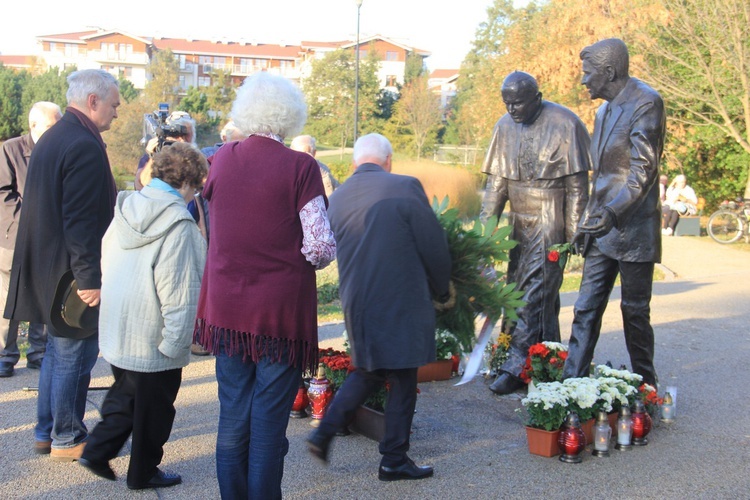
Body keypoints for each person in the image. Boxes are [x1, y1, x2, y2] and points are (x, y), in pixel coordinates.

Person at [192, 72, 336, 499]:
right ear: (290, 115)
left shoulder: (220, 159)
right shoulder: (301, 165)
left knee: (233, 417)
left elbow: (215, 219)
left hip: (226, 312)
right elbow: (321, 246)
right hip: (278, 316)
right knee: (269, 423)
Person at [307, 133, 452, 482]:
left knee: (370, 369)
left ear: (356, 162)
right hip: (401, 298)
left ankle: (325, 431)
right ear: (388, 161)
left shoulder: (337, 197)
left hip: (357, 299)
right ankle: (393, 459)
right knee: (402, 376)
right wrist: (443, 286)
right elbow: (432, 244)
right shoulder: (404, 186)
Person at [4, 69, 120, 459]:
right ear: (93, 101)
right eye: (114, 105)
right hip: (71, 275)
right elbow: (81, 219)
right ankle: (67, 437)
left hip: (49, 268)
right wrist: (90, 278)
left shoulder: (55, 136)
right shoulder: (82, 144)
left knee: (58, 352)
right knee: (74, 353)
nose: (117, 113)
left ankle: (46, 431)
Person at [78, 142, 207, 490]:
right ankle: (143, 472)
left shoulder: (127, 206)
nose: (196, 194)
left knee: (126, 393)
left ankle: (98, 449)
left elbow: (107, 259)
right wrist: (176, 344)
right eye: (197, 187)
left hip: (120, 325)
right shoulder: (179, 224)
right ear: (188, 183)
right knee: (156, 410)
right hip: (155, 336)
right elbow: (180, 293)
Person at [562, 38, 665, 386]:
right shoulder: (603, 111)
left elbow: (643, 171)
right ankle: (570, 385)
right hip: (601, 227)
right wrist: (586, 221)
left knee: (634, 313)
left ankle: (646, 388)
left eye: (588, 73)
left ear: (608, 72)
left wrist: (613, 213)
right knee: (586, 307)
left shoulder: (646, 102)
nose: (583, 80)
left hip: (633, 228)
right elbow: (602, 177)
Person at [481, 71, 590, 395]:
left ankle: (517, 368)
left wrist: (571, 238)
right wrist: (483, 235)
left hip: (549, 218)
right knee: (520, 293)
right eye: (507, 103)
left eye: (518, 103)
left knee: (533, 296)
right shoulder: (504, 126)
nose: (512, 109)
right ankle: (545, 359)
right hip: (519, 221)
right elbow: (495, 187)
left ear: (536, 98)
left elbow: (577, 188)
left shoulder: (565, 123)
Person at [0, 102, 62, 378]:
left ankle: (39, 353)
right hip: (14, 239)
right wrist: (28, 222)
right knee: (7, 301)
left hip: (49, 240)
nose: (56, 131)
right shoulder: (10, 150)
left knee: (44, 298)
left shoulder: (59, 149)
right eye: (51, 126)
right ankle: (5, 355)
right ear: (33, 126)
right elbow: (3, 195)